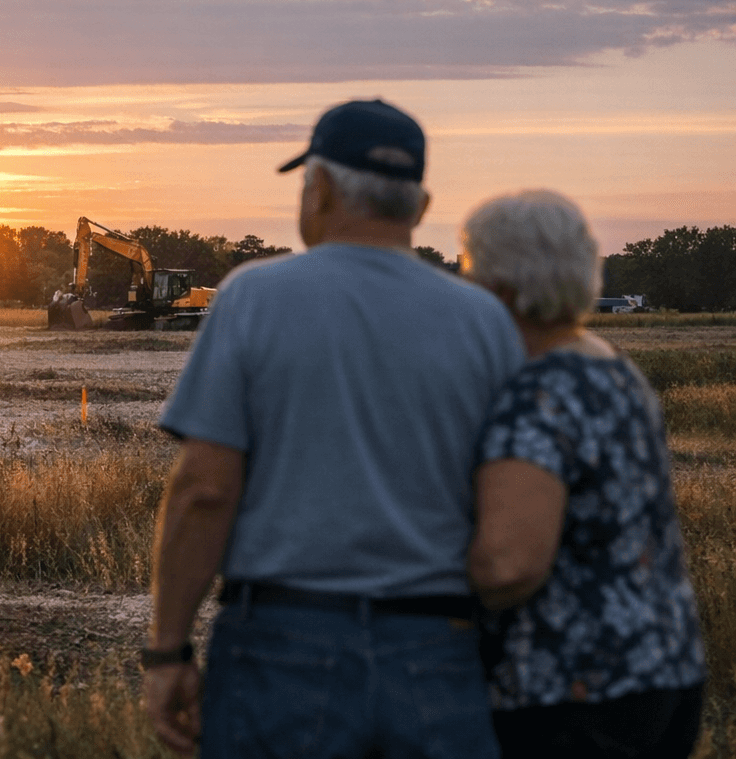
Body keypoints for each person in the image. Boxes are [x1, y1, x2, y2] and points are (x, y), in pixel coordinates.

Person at [145, 98, 525, 758]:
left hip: (282, 649)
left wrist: (168, 649)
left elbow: (205, 490)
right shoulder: (485, 321)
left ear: (317, 190)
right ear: (421, 204)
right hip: (440, 649)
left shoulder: (253, 298)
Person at [463, 190, 705, 758]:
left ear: (500, 285)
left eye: (471, 268)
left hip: (574, 692)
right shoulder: (611, 367)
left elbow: (509, 564)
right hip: (663, 670)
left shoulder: (539, 392)